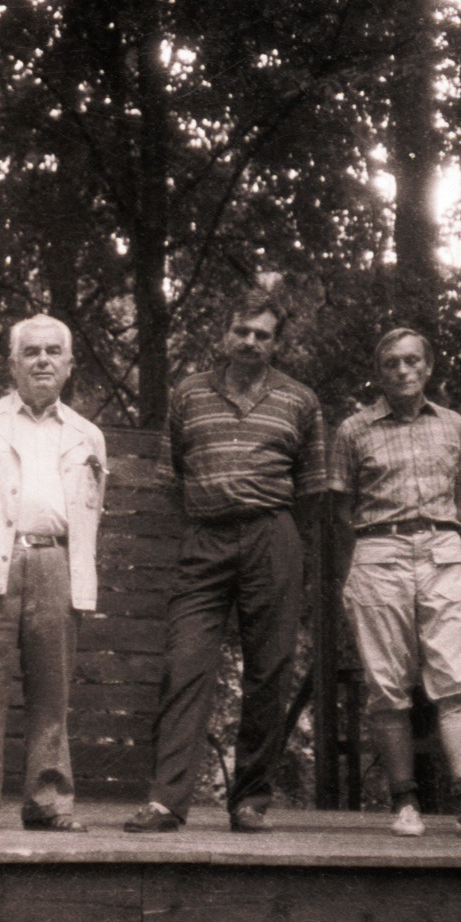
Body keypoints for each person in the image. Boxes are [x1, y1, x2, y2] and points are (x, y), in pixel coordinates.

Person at [123, 292, 326, 834]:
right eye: (242, 330)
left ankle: (250, 800)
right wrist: (210, 512)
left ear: (276, 343)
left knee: (270, 668)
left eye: (263, 334)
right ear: (225, 333)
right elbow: (171, 479)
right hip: (205, 541)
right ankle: (167, 802)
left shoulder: (301, 400)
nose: (251, 342)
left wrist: (275, 535)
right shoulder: (188, 393)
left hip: (272, 537)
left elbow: (312, 490)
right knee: (185, 664)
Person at [328, 327, 461, 838]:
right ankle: (405, 804)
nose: (403, 371)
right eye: (391, 363)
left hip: (442, 551)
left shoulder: (453, 425)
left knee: (458, 678)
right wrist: (375, 551)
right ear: (379, 372)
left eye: (413, 361)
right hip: (378, 552)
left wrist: (435, 532)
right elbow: (342, 508)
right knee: (387, 684)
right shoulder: (353, 430)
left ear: (428, 368)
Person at [0, 315, 107, 831]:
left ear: (70, 365)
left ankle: (48, 801)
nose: (43, 360)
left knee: (51, 693)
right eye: (31, 352)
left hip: (57, 563)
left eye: (54, 352)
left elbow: (92, 513)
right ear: (12, 363)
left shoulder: (88, 436)